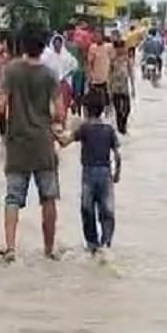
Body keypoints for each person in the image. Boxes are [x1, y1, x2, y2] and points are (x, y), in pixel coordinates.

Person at [0, 24, 65, 262]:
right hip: (43, 144)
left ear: (22, 45)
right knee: (48, 197)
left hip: (17, 144)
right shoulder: (49, 75)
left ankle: (11, 247)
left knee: (13, 197)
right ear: (44, 46)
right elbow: (60, 113)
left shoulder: (12, 71)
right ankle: (49, 249)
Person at [55, 90, 121, 254]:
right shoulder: (109, 130)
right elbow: (118, 154)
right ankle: (106, 243)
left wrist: (52, 132)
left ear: (85, 110)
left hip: (88, 174)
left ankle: (92, 245)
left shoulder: (84, 129)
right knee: (107, 210)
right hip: (106, 173)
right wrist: (117, 172)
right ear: (103, 110)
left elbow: (65, 142)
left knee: (87, 209)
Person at [43, 33, 79, 113]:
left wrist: (67, 75)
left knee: (64, 104)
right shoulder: (48, 56)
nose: (57, 46)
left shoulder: (66, 55)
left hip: (65, 84)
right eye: (56, 44)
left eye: (59, 44)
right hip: (52, 84)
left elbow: (75, 66)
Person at [109, 39, 134, 136]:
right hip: (115, 87)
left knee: (127, 109)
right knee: (118, 109)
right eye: (118, 48)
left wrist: (133, 88)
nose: (120, 50)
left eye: (122, 48)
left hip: (125, 88)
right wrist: (109, 88)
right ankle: (120, 129)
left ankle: (124, 125)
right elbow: (109, 74)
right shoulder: (113, 60)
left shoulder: (127, 59)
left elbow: (131, 73)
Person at [87, 32, 114, 112]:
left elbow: (112, 60)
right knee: (96, 99)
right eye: (96, 37)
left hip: (106, 76)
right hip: (96, 77)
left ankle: (108, 112)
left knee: (107, 98)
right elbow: (90, 63)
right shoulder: (92, 48)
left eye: (99, 36)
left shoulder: (109, 47)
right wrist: (90, 76)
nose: (98, 38)